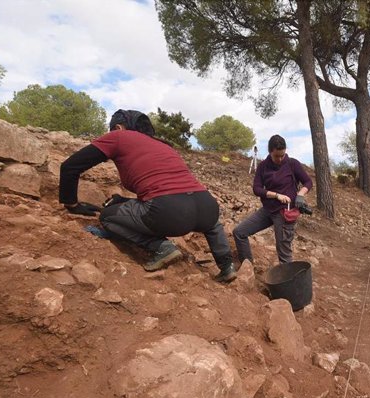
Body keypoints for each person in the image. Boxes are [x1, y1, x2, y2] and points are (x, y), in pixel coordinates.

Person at [59, 109, 237, 282]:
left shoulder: (119, 136)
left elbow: (70, 167)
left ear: (119, 128)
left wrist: (71, 203)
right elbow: (172, 187)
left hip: (170, 212)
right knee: (211, 223)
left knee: (107, 217)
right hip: (207, 206)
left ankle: (161, 247)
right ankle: (227, 267)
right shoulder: (163, 146)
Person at [233, 135, 313, 265]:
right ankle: (247, 268)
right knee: (239, 232)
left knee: (284, 253)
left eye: (283, 155)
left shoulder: (292, 164)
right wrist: (276, 195)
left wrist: (301, 194)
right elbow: (257, 189)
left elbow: (308, 182)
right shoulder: (263, 166)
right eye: (277, 156)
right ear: (270, 152)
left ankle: (288, 283)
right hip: (268, 210)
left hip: (285, 213)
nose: (280, 159)